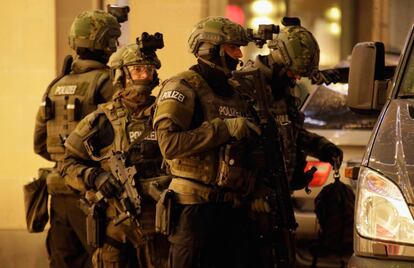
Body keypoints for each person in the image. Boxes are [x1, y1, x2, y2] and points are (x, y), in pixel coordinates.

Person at [232, 19, 344, 268]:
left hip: (279, 198)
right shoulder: (244, 87)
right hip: (249, 205)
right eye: (293, 72)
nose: (296, 78)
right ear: (278, 59)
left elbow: (290, 132)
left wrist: (322, 147)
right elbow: (234, 147)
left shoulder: (283, 87)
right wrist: (253, 194)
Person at [152, 16, 261, 268]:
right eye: (233, 47)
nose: (239, 54)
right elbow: (169, 145)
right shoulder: (183, 86)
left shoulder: (236, 91)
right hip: (193, 211)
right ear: (210, 49)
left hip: (231, 210)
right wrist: (223, 129)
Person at [61, 40, 170, 268]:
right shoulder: (100, 120)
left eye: (149, 70)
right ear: (121, 74)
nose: (144, 76)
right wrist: (95, 177)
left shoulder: (165, 116)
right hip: (116, 226)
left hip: (160, 226)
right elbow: (68, 163)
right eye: (137, 69)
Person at [33, 10, 121, 268]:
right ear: (106, 44)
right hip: (94, 193)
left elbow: (39, 144)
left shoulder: (56, 85)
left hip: (59, 191)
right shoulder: (106, 82)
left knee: (63, 261)